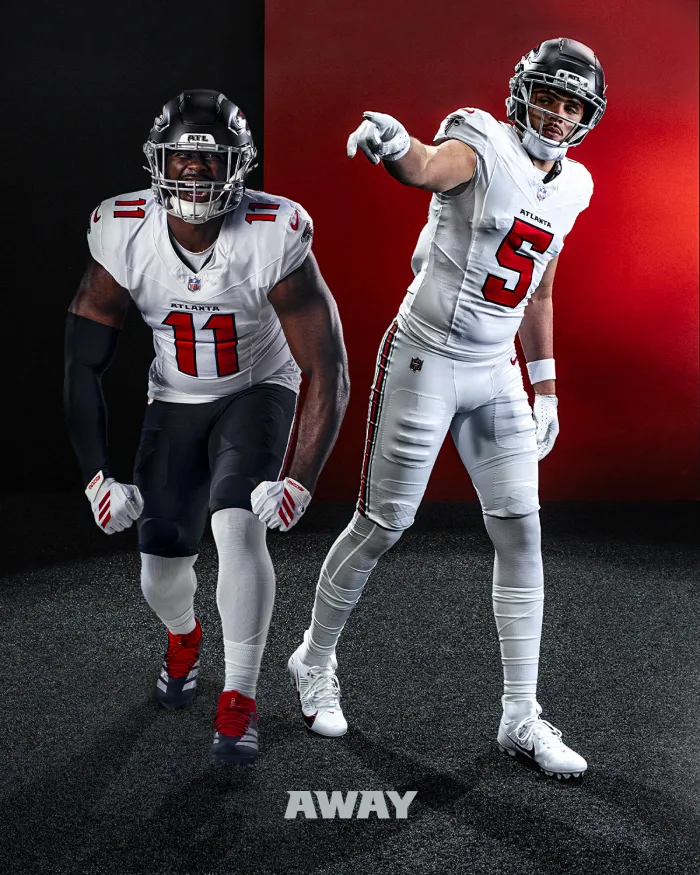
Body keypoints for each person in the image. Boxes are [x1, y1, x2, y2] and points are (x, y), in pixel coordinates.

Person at [287, 39, 606, 779]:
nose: (558, 115)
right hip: (426, 355)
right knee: (383, 523)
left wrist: (548, 383)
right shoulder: (481, 144)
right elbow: (429, 166)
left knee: (522, 531)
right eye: (549, 96)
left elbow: (540, 289)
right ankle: (314, 656)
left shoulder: (575, 186)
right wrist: (397, 143)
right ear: (520, 92)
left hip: (495, 371)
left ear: (587, 116)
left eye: (573, 104)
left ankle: (519, 715)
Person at [64, 89, 349, 766]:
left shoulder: (272, 231)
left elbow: (326, 365)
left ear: (237, 165)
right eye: (181, 161)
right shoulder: (123, 227)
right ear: (157, 162)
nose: (193, 174)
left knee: (237, 520)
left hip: (256, 390)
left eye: (209, 160)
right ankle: (184, 637)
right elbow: (82, 363)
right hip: (175, 398)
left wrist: (299, 479)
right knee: (160, 566)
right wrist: (96, 475)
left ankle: (239, 699)